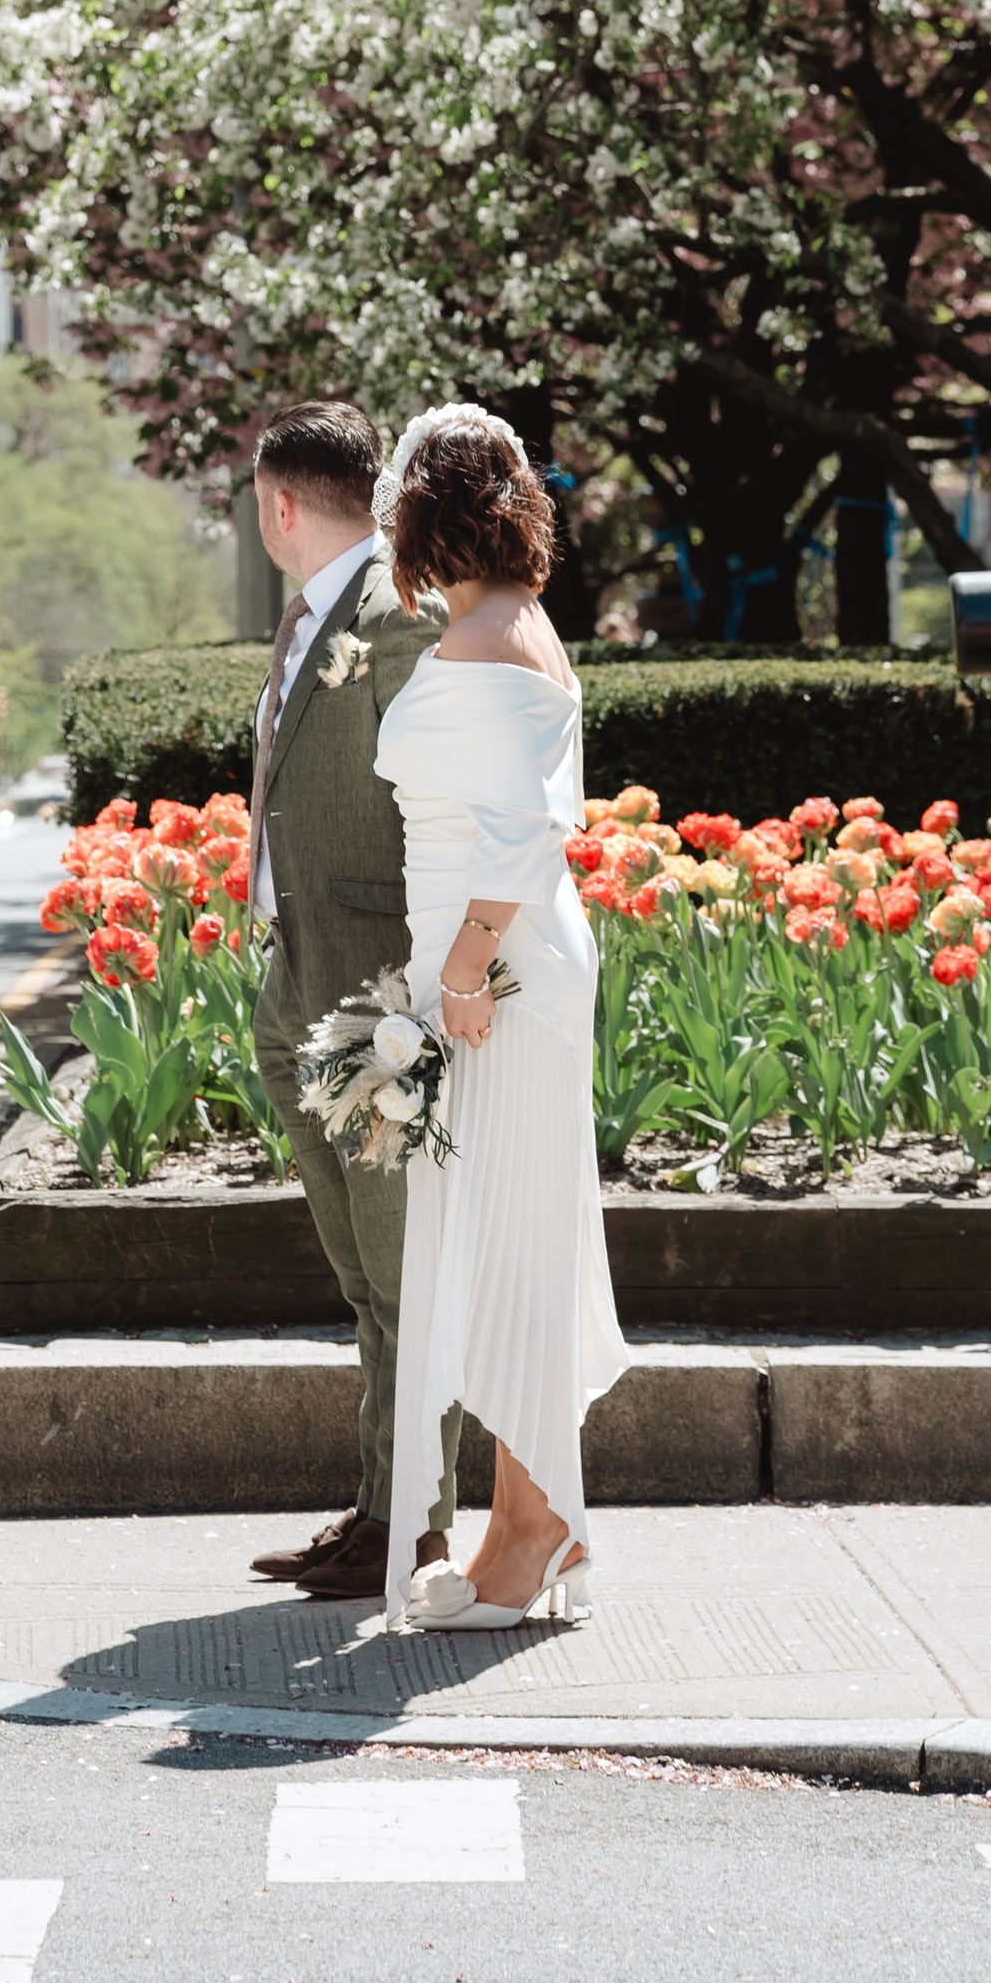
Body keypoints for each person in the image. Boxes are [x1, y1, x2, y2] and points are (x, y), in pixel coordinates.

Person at [375, 403, 627, 1629]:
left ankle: (527, 1535)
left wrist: (466, 970)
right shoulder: (517, 623)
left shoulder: (487, 639)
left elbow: (523, 831)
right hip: (502, 961)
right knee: (517, 1240)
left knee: (512, 1251)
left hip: (499, 973)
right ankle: (535, 1520)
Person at [242, 399, 456, 1605]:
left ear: (280, 505)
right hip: (299, 980)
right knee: (364, 1276)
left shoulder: (394, 622)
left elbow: (441, 818)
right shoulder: (318, 617)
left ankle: (412, 1523)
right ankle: (380, 1508)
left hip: (376, 998)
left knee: (400, 1269)